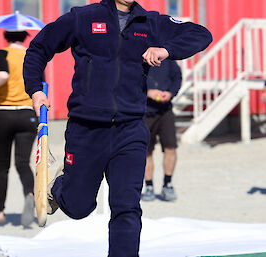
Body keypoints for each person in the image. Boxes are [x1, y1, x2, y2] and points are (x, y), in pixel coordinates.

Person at [23, 0, 212, 256]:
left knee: (127, 207)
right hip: (86, 128)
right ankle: (59, 187)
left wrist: (167, 49)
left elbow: (201, 34)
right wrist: (35, 89)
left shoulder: (151, 22)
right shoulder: (83, 17)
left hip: (131, 129)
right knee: (79, 207)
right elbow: (38, 48)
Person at [0, 31, 38, 227]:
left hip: (3, 113)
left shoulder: (2, 53)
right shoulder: (32, 54)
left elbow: (3, 74)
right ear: (24, 36)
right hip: (27, 114)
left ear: (6, 35)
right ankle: (30, 193)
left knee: (2, 165)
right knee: (22, 162)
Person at [141, 59, 182, 202]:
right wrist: (147, 91)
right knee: (146, 151)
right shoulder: (140, 56)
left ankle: (167, 184)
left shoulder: (168, 58)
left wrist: (171, 93)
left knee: (171, 147)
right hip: (145, 111)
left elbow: (177, 77)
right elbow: (131, 80)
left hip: (165, 110)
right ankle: (149, 187)